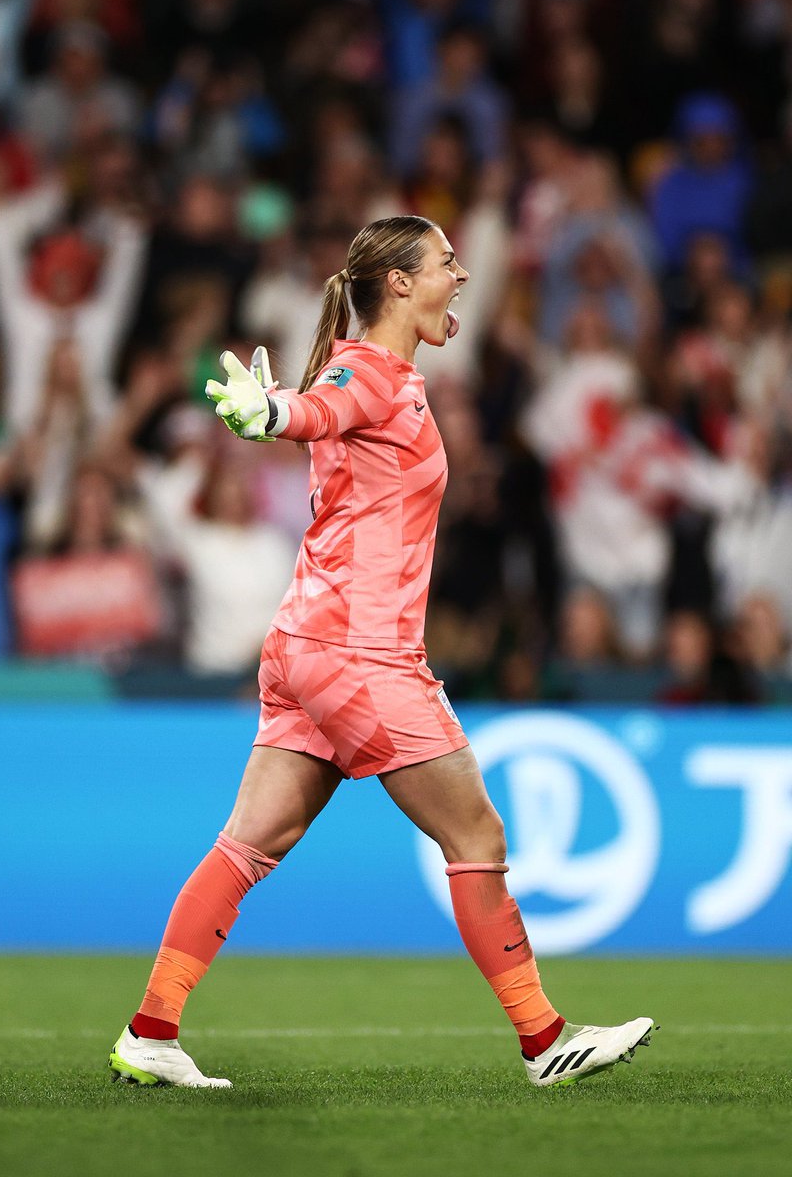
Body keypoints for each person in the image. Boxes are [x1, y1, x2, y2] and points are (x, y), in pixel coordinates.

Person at [108, 215, 655, 1091]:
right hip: (362, 653)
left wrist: (288, 409)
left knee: (250, 842)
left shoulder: (364, 369)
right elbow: (316, 410)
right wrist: (271, 415)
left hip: (302, 645)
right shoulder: (371, 373)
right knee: (475, 830)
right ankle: (545, 1040)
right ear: (398, 282)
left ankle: (151, 1031)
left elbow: (323, 406)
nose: (463, 275)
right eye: (445, 262)